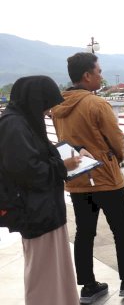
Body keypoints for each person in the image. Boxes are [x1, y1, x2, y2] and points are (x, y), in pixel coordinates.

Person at [51, 52, 124, 303]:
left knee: (84, 232)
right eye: (99, 71)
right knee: (122, 230)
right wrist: (118, 157)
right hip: (104, 176)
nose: (101, 75)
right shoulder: (97, 104)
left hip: (76, 176)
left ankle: (89, 286)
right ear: (87, 75)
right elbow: (116, 139)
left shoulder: (57, 106)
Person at [0, 76, 82, 305]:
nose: (48, 111)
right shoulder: (13, 124)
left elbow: (34, 157)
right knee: (43, 272)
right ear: (35, 101)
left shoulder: (24, 121)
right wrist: (63, 165)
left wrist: (65, 155)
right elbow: (26, 171)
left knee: (55, 267)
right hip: (35, 211)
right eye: (46, 104)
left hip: (46, 209)